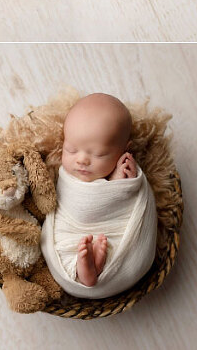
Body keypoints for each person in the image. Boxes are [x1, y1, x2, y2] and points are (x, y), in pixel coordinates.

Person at [40, 93, 157, 297]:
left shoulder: (126, 173)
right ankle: (82, 269)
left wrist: (121, 186)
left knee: (101, 246)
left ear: (124, 150)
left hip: (118, 246)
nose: (82, 160)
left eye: (99, 154)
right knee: (70, 246)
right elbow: (72, 205)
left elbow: (130, 203)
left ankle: (91, 267)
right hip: (72, 233)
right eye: (71, 149)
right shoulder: (65, 176)